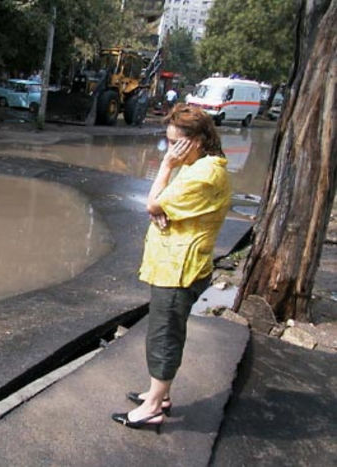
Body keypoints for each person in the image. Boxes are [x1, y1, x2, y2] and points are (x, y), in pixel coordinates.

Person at [111, 104, 231, 431]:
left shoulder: (205, 174)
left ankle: (152, 408)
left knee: (164, 336)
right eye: (168, 142)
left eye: (175, 142)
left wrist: (164, 168)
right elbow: (160, 204)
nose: (170, 149)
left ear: (197, 140)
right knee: (163, 330)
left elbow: (154, 202)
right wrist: (159, 204)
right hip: (173, 264)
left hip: (180, 270)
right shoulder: (197, 166)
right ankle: (158, 394)